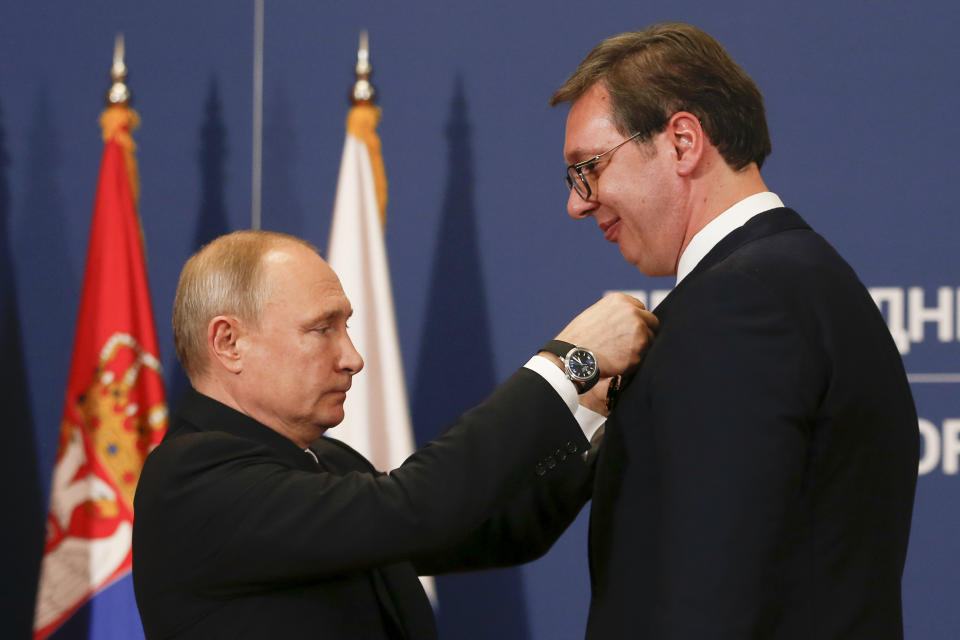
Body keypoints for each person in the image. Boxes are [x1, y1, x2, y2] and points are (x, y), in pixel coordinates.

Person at [550, 22, 919, 639]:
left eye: (587, 167)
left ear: (683, 142)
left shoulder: (739, 307)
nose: (578, 203)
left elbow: (708, 597)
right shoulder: (801, 280)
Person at [132, 230, 656, 639]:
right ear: (228, 343)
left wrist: (592, 413)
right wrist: (567, 364)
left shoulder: (330, 462)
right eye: (322, 329)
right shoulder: (191, 481)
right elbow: (420, 507)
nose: (352, 359)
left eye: (347, 327)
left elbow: (501, 529)